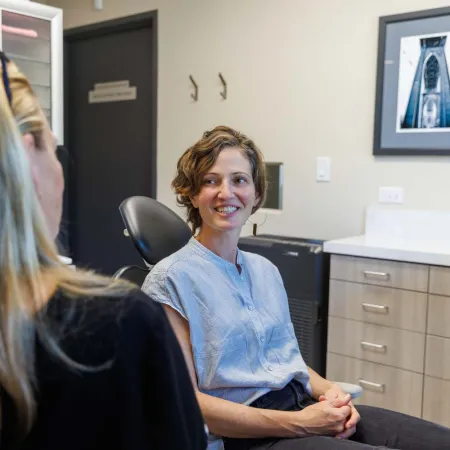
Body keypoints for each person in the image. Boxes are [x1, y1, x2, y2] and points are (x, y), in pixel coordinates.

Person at [142, 125, 450, 450]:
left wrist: (330, 393)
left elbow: (288, 362)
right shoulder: (170, 280)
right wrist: (301, 425)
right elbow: (187, 404)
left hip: (302, 407)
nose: (226, 192)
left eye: (239, 180)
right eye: (210, 180)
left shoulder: (265, 271)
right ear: (192, 193)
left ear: (257, 194)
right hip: (247, 436)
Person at [0, 51, 207, 450]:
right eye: (54, 151)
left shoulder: (260, 271)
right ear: (26, 159)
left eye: (241, 181)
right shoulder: (119, 326)